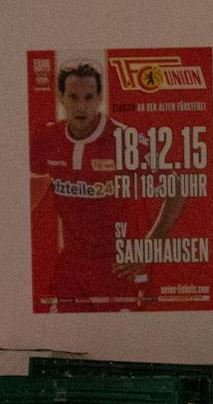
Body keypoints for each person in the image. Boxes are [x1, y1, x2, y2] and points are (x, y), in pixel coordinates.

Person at [28, 58, 187, 309]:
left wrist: (151, 244)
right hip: (71, 264)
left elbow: (176, 186)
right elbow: (31, 182)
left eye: (89, 97)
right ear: (61, 97)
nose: (81, 106)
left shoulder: (124, 139)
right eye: (73, 97)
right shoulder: (48, 138)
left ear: (99, 98)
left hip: (118, 267)